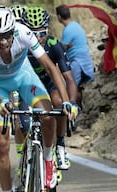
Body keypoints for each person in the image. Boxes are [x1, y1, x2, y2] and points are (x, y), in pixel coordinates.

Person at [0, 5, 72, 192]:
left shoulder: (24, 32)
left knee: (47, 114)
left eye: (6, 36)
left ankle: (48, 159)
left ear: (13, 31)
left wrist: (67, 101)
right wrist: (0, 101)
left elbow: (50, 67)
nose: (2, 41)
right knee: (1, 144)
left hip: (23, 76)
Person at [21, 6, 79, 171]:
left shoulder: (53, 44)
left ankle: (60, 145)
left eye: (42, 32)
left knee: (60, 102)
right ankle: (25, 161)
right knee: (23, 126)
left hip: (49, 84)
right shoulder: (19, 47)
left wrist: (72, 102)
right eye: (33, 33)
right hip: (28, 86)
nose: (38, 38)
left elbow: (69, 78)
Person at [56, 4, 94, 109]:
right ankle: (79, 110)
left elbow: (62, 49)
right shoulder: (76, 26)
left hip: (78, 62)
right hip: (85, 61)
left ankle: (72, 111)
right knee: (77, 89)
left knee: (68, 87)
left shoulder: (68, 29)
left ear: (59, 16)